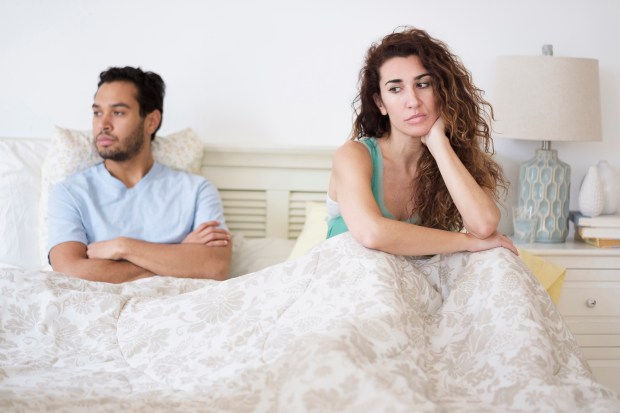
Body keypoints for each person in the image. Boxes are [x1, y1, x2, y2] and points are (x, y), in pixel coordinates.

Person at [327, 27, 517, 256]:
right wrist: (467, 241)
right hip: (354, 281)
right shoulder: (354, 155)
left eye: (423, 84)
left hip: (410, 286)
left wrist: (439, 144)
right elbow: (371, 233)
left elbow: (484, 226)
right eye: (396, 89)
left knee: (498, 259)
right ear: (380, 103)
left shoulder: (459, 161)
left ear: (442, 91)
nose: (413, 101)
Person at [48, 66, 232, 283]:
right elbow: (69, 271)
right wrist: (180, 255)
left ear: (151, 121)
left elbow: (216, 266)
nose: (103, 124)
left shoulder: (196, 190)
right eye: (97, 112)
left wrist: (121, 247)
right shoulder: (69, 193)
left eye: (118, 112)